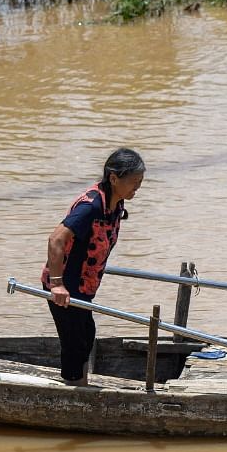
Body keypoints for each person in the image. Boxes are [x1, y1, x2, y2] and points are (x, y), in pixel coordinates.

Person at [42, 148, 145, 386]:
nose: (137, 188)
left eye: (140, 183)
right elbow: (55, 239)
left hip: (84, 285)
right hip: (66, 285)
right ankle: (72, 395)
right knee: (75, 343)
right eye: (134, 182)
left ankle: (79, 387)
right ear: (113, 178)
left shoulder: (115, 205)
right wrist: (57, 285)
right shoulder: (91, 207)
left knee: (87, 337)